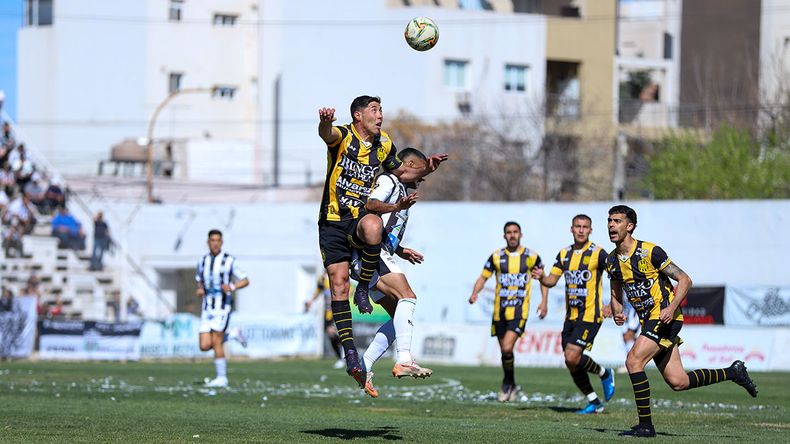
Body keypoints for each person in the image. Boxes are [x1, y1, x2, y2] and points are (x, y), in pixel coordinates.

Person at [317, 95, 446, 388]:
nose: (380, 115)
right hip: (334, 222)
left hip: (359, 226)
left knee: (400, 311)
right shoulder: (344, 135)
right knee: (342, 286)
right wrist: (324, 123)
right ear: (358, 115)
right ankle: (354, 354)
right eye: (374, 110)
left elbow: (401, 169)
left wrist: (427, 168)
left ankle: (375, 356)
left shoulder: (384, 144)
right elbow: (328, 134)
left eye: (381, 110)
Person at [605, 205, 757, 437]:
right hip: (649, 321)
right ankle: (733, 372)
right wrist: (617, 311)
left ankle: (646, 426)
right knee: (679, 382)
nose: (611, 225)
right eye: (609, 221)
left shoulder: (650, 252)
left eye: (617, 221)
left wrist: (672, 306)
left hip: (665, 317)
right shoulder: (612, 260)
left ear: (630, 226)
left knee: (633, 361)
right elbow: (616, 294)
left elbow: (685, 279)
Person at [350, 147, 435, 398]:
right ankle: (404, 359)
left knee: (397, 316)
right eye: (420, 172)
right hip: (371, 257)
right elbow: (371, 204)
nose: (421, 179)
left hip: (379, 256)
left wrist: (400, 249)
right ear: (408, 163)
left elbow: (385, 230)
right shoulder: (389, 180)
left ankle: (365, 365)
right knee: (408, 297)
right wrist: (397, 205)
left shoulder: (402, 190)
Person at [532, 214, 615, 414]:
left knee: (572, 356)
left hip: (591, 315)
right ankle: (594, 402)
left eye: (585, 227)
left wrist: (613, 303)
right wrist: (542, 277)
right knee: (572, 363)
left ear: (590, 230)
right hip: (570, 317)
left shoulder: (598, 253)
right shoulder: (564, 254)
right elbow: (551, 280)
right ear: (571, 229)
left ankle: (605, 373)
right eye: (577, 226)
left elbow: (616, 276)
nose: (581, 230)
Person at [469, 222, 547, 402]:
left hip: (519, 311)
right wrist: (475, 292)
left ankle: (507, 382)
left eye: (515, 232)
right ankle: (511, 382)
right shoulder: (496, 256)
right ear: (504, 236)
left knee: (506, 347)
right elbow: (483, 277)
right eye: (509, 233)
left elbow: (543, 278)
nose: (512, 235)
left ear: (521, 234)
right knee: (506, 353)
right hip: (499, 313)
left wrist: (544, 302)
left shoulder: (531, 256)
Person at [195, 229, 250, 388]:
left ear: (222, 242)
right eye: (213, 240)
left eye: (218, 240)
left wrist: (232, 286)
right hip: (207, 308)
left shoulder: (229, 261)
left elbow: (245, 280)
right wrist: (200, 289)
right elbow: (199, 280)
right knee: (204, 345)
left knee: (217, 341)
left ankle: (222, 378)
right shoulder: (202, 261)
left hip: (222, 307)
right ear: (208, 242)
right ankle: (233, 334)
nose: (216, 243)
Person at [304, 271, 344, 369]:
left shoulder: (339, 275)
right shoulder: (322, 278)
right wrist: (311, 301)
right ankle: (342, 354)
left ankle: (345, 353)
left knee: (332, 332)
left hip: (338, 309)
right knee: (330, 335)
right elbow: (318, 291)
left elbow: (350, 289)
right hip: (328, 312)